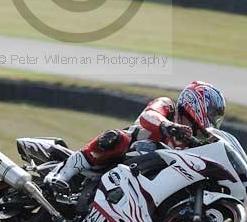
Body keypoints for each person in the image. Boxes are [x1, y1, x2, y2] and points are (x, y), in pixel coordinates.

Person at [46, 81, 226, 194]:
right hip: (123, 156)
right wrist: (169, 126)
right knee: (116, 138)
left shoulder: (192, 142)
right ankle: (61, 174)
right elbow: (147, 117)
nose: (212, 119)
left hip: (142, 181)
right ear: (196, 102)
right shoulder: (167, 106)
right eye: (211, 112)